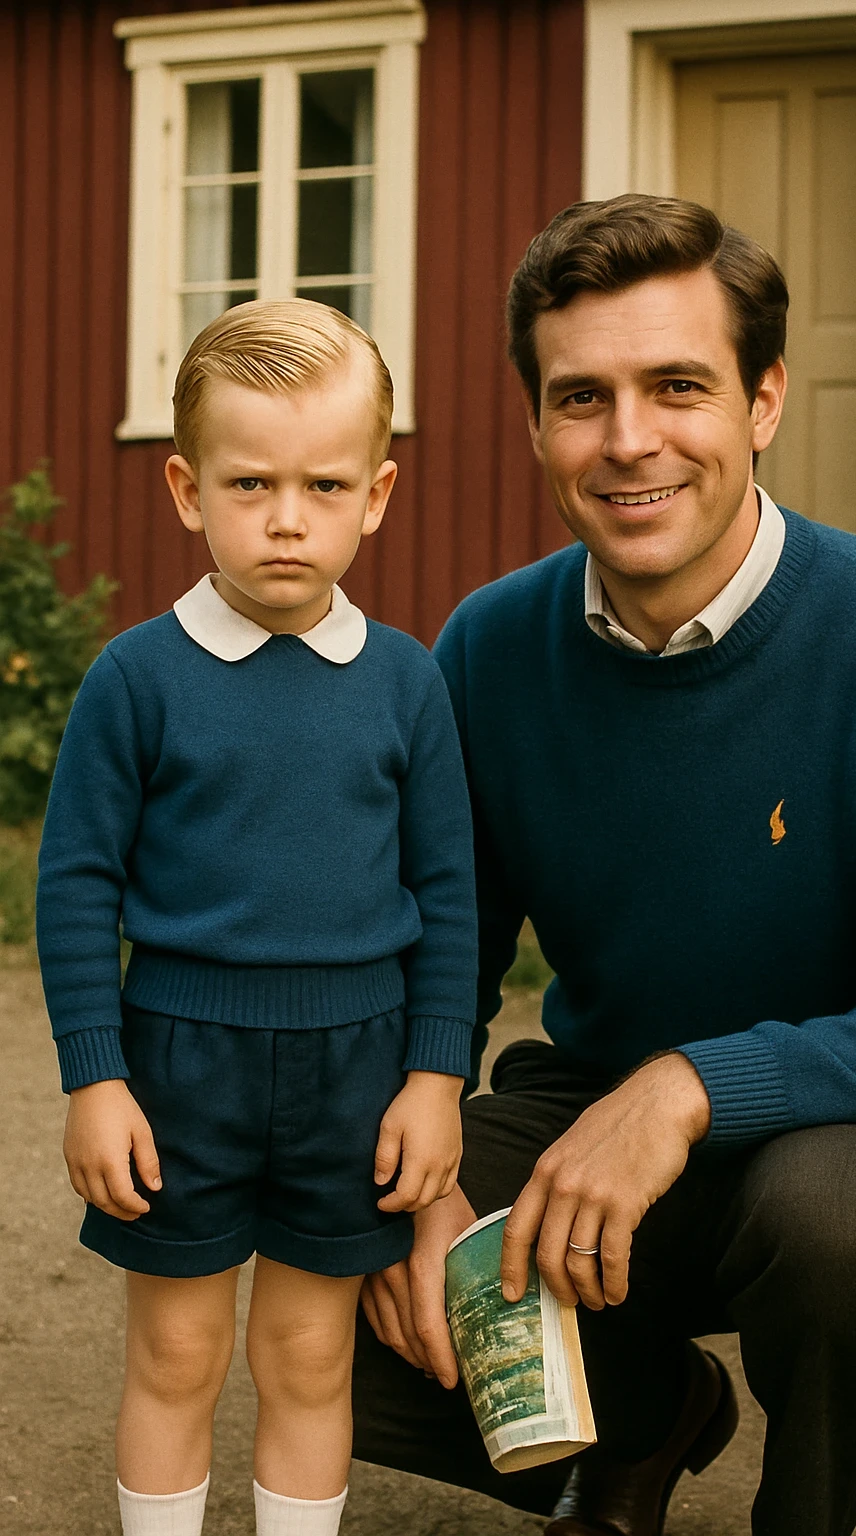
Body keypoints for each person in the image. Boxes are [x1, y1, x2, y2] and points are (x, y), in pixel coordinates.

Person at [352, 196, 856, 1536]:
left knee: (832, 1224)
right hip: (588, 1127)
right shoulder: (488, 651)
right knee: (344, 1254)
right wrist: (410, 1191)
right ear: (539, 424)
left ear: (764, 400)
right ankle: (651, 1420)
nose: (628, 441)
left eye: (677, 386)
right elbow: (434, 961)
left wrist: (688, 1088)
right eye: (581, 397)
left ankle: (812, 1507)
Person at [35, 300, 477, 1536]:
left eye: (325, 484)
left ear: (377, 495)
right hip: (181, 1067)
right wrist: (95, 1077)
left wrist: (438, 1074)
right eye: (250, 483)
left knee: (306, 1358)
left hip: (356, 1071)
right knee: (176, 1359)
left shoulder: (407, 681)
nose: (288, 517)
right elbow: (73, 885)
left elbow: (448, 892)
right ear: (186, 489)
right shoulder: (136, 678)